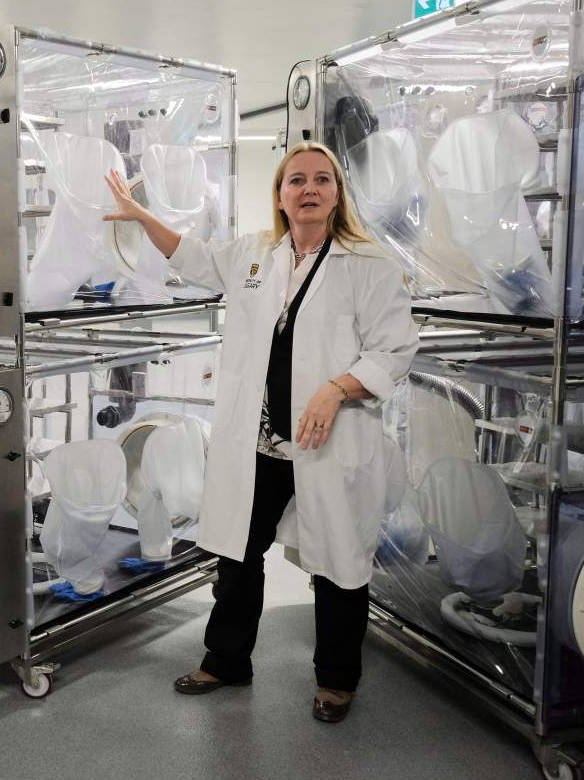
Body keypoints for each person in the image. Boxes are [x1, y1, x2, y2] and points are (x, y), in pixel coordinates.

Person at [104, 142, 419, 723]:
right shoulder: (256, 254)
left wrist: (336, 388)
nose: (309, 189)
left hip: (328, 437)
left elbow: (395, 347)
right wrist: (145, 217)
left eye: (322, 179)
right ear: (279, 194)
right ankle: (227, 660)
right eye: (296, 180)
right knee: (238, 553)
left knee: (338, 562)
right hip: (261, 441)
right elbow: (194, 257)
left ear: (336, 194)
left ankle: (337, 680)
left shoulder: (367, 262)